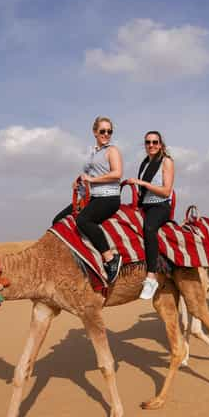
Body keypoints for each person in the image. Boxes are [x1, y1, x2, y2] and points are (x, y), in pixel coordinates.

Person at [52, 116, 123, 283]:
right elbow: (89, 175)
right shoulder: (92, 152)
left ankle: (110, 258)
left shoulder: (112, 150)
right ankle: (73, 260)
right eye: (103, 131)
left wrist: (92, 180)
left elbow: (117, 173)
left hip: (109, 197)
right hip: (91, 197)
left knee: (83, 220)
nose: (106, 134)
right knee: (57, 220)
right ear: (94, 132)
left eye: (109, 131)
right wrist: (79, 184)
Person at [125, 131, 175, 300]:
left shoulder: (166, 162)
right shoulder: (145, 163)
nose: (151, 145)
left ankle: (151, 276)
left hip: (160, 206)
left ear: (160, 144)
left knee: (149, 228)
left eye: (155, 142)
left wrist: (142, 183)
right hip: (144, 205)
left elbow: (166, 190)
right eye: (148, 142)